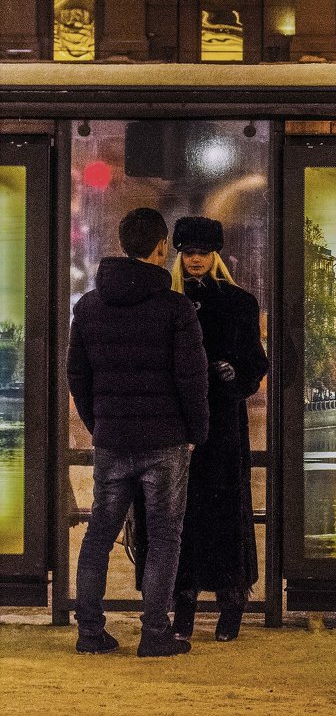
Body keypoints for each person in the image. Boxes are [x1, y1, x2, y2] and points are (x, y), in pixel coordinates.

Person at [68, 208, 208, 657]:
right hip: (166, 441)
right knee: (166, 537)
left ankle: (90, 632)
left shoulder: (88, 306)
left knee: (98, 535)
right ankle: (154, 633)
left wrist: (99, 425)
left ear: (123, 245)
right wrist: (196, 431)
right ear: (161, 248)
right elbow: (192, 378)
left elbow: (78, 378)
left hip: (112, 441)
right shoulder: (176, 308)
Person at [168, 217, 268, 642]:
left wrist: (235, 374)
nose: (195, 259)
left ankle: (231, 604)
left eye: (202, 251)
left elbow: (255, 363)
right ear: (179, 253)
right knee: (182, 516)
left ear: (215, 255)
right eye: (188, 251)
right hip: (182, 425)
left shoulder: (237, 303)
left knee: (222, 511)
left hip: (222, 425)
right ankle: (186, 604)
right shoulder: (167, 301)